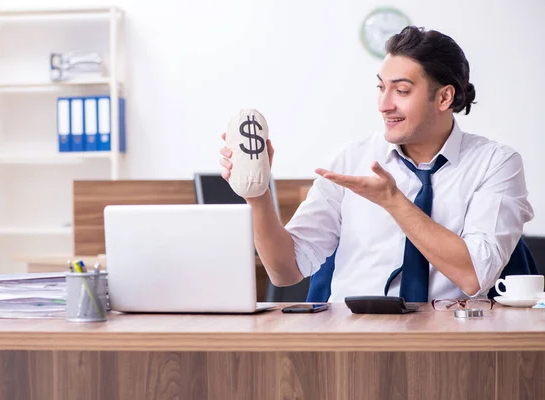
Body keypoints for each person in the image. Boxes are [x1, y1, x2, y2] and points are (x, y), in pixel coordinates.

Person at [219, 26, 534, 302]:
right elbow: (285, 271)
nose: (384, 105)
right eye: (381, 87)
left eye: (402, 90)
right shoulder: (351, 160)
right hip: (351, 341)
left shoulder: (496, 164)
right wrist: (258, 196)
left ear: (444, 98)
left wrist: (393, 202)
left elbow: (474, 276)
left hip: (448, 347)